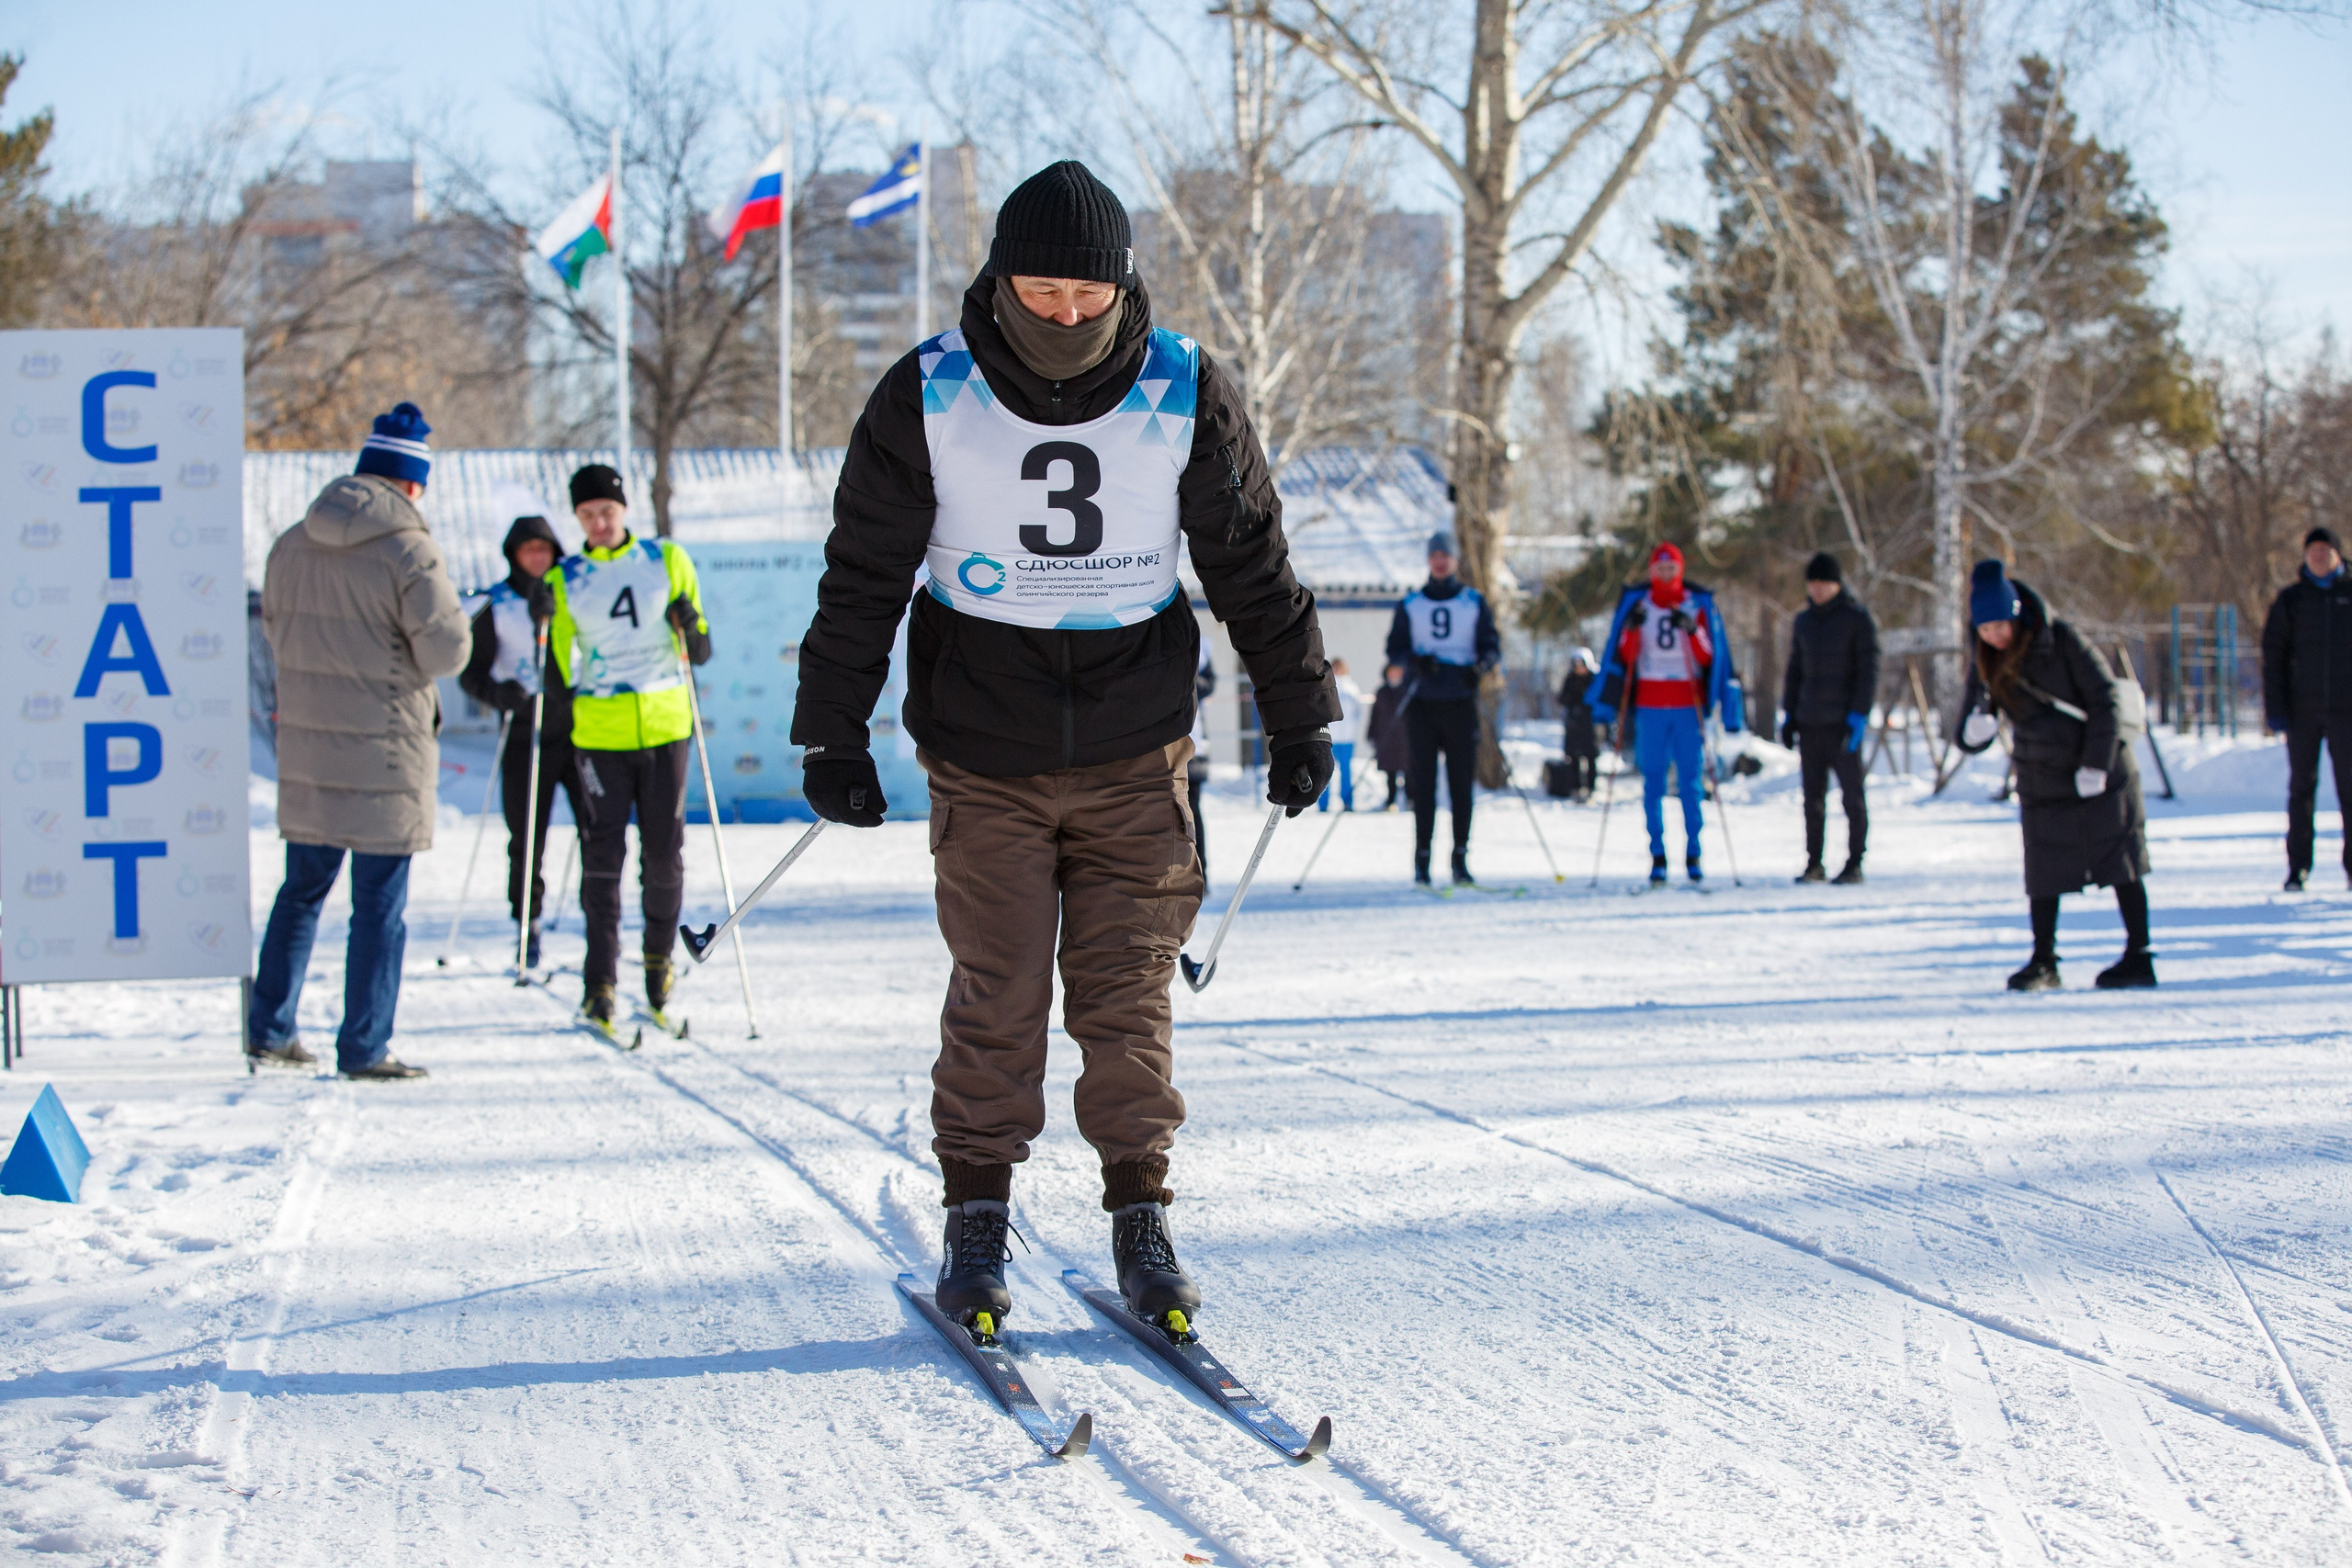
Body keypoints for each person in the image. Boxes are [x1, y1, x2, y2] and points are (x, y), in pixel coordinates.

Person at [787, 160, 1338, 1334]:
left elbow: (1250, 561)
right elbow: (864, 575)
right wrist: (831, 728)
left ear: (1123, 284)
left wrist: (1298, 709)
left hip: (1138, 748)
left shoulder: (1187, 387)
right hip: (984, 747)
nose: (1066, 314)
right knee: (996, 989)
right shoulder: (926, 391)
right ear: (1000, 277)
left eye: (1089, 295)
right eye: (1042, 291)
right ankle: (977, 1213)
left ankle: (1141, 1210)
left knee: (1127, 989)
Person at [248, 403, 469, 1078]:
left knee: (302, 891)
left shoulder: (291, 541)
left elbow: (275, 632)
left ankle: (269, 1026)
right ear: (410, 483)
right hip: (386, 750)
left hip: (310, 747)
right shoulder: (410, 548)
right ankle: (364, 1045)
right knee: (378, 905)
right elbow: (448, 652)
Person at [544, 465, 712, 1032]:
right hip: (600, 735)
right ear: (576, 518)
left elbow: (703, 649)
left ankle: (658, 966)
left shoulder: (665, 561)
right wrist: (542, 623)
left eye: (606, 511)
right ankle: (600, 984)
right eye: (587, 513)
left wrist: (689, 624)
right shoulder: (565, 579)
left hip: (665, 728)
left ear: (624, 510)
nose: (598, 521)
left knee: (664, 856)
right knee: (604, 861)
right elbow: (559, 671)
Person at [1952, 559, 2153, 990]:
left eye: (2000, 626)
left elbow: (2105, 700)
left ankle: (2139, 956)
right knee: (2044, 867)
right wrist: (1974, 732)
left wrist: (2096, 764)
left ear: (2016, 612)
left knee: (2120, 861)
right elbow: (1969, 723)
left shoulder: (2059, 639)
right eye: (1985, 630)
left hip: (2099, 769)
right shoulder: (1985, 657)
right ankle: (2044, 960)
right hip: (2041, 775)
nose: (1994, 636)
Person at [458, 516, 578, 964]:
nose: (537, 557)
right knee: (527, 835)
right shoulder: (498, 603)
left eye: (544, 549)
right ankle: (527, 922)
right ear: (513, 553)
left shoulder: (571, 594)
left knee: (596, 828)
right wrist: (498, 694)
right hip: (526, 731)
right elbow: (471, 674)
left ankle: (598, 918)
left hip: (577, 727)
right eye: (528, 549)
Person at [1593, 543, 1743, 883]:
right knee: (1653, 782)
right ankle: (1657, 853)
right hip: (1649, 703)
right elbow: (1624, 655)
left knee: (1691, 782)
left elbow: (1708, 656)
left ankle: (1693, 850)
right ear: (1651, 571)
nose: (1664, 574)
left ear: (1679, 570)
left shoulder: (1695, 603)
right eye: (1659, 568)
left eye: (1670, 568)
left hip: (1687, 702)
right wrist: (1631, 628)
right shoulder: (1639, 604)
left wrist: (1691, 630)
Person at [1386, 531, 1500, 884]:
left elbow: (1491, 645)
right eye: (1435, 555)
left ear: (1455, 561)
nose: (1440, 561)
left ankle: (1460, 858)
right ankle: (1422, 860)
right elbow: (1395, 649)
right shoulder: (1411, 603)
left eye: (1446, 555)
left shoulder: (1473, 601)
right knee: (1423, 783)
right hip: (1422, 702)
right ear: (1428, 560)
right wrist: (1413, 662)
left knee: (1460, 784)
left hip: (1460, 701)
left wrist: (1479, 668)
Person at [2260, 526, 2352, 891]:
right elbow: (2274, 657)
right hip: (2302, 712)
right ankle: (2298, 867)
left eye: (2324, 550)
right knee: (2301, 789)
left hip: (2347, 712)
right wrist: (2277, 707)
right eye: (2312, 550)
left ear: (2337, 555)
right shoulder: (2292, 601)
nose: (2317, 555)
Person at [1781, 551, 1880, 885]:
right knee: (1812, 799)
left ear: (1837, 584)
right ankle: (1814, 863)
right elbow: (1795, 671)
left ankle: (1855, 861)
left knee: (1852, 795)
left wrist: (1859, 714)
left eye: (1824, 583)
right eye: (1813, 583)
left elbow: (1869, 670)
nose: (1818, 589)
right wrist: (1789, 714)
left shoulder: (1857, 619)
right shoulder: (1804, 622)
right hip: (1810, 722)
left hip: (1842, 723)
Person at [1319, 658, 1367, 810]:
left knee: (1346, 772)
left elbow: (1357, 712)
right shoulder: (1326, 686)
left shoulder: (1352, 688)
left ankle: (1347, 802)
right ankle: (1323, 804)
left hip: (1347, 738)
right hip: (1331, 737)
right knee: (1326, 771)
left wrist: (1353, 728)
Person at [1557, 647, 1600, 801]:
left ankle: (1590, 788)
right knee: (1573, 757)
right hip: (1574, 724)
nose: (1579, 669)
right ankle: (1575, 788)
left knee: (1590, 757)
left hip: (1590, 725)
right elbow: (1562, 699)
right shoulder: (1570, 680)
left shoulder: (1595, 679)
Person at [1187, 643, 1216, 877]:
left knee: (1192, 813)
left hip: (1192, 749)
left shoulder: (1200, 646)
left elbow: (1209, 684)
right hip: (1155, 750)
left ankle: (1199, 873)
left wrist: (1185, 679)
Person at [1369, 663, 1410, 809]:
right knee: (1390, 773)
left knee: (1409, 770)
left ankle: (1411, 799)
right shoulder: (1382, 692)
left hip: (1406, 739)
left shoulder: (1408, 690)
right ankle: (1391, 800)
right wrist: (1371, 734)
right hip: (1387, 738)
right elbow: (1375, 715)